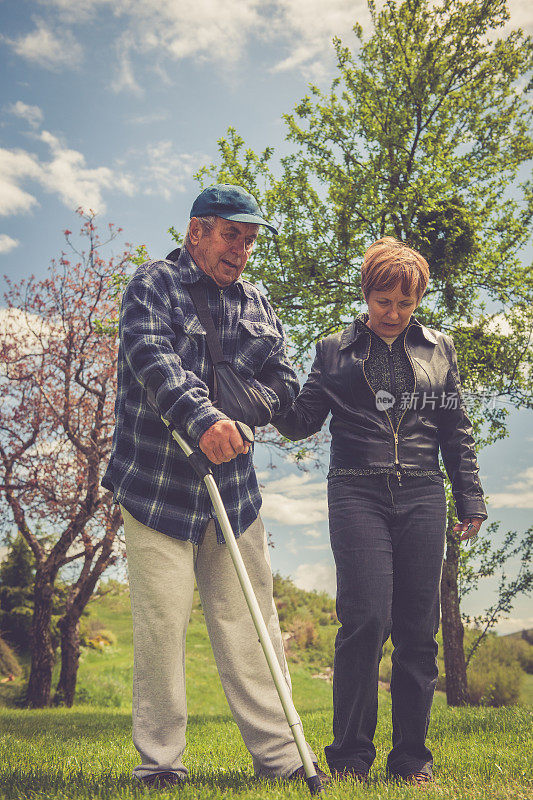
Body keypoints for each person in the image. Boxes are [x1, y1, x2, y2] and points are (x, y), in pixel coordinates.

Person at [102, 184, 327, 789]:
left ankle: (283, 758)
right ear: (198, 230)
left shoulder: (257, 300)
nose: (242, 250)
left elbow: (282, 376)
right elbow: (151, 359)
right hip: (157, 488)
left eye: (250, 240)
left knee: (251, 626)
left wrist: (251, 406)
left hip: (234, 493)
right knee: (161, 629)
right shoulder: (154, 284)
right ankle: (160, 763)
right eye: (233, 235)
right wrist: (204, 419)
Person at [274, 237, 487, 786]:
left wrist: (470, 498)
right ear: (366, 293)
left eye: (405, 304)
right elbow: (301, 420)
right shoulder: (332, 351)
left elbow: (455, 428)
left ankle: (412, 758)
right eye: (383, 301)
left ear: (418, 300)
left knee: (417, 630)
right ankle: (349, 755)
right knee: (366, 619)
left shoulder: (440, 348)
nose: (393, 314)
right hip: (356, 491)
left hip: (422, 492)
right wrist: (266, 391)